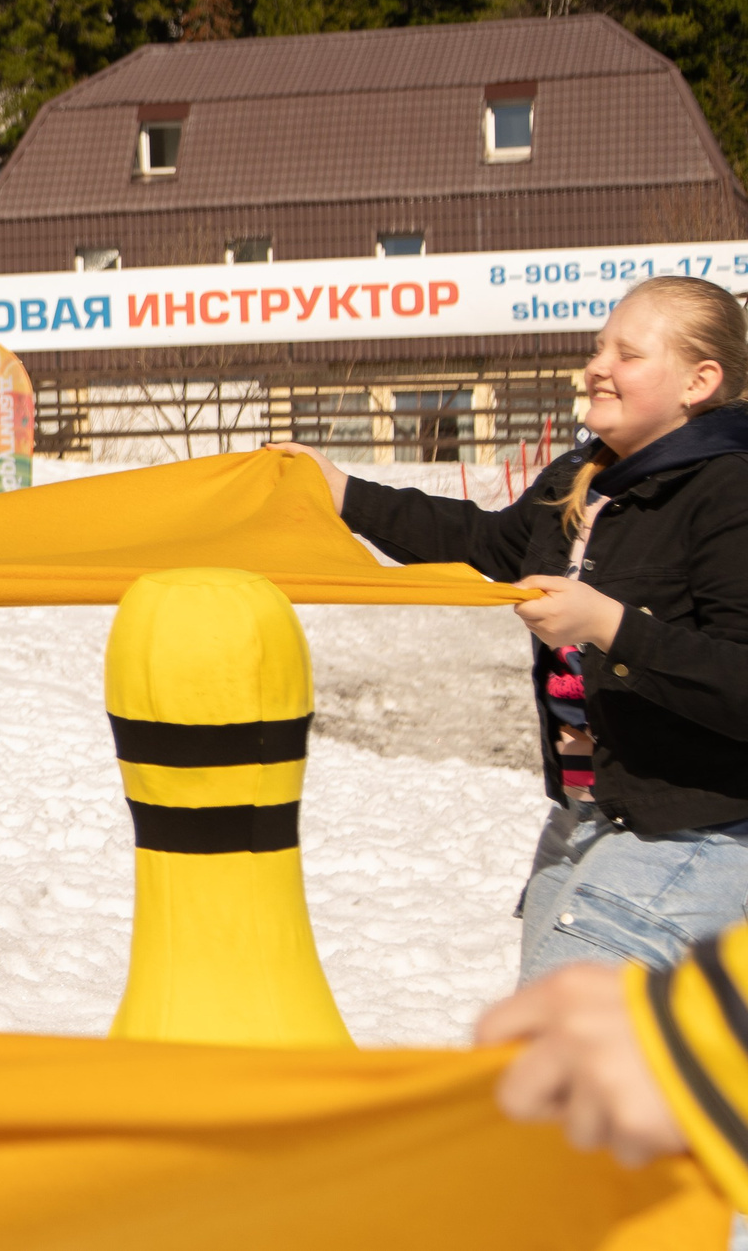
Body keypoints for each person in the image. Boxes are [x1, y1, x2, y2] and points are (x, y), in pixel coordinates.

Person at [272, 275, 748, 987]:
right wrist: (341, 492)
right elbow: (489, 546)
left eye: (628, 353)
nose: (598, 366)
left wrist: (609, 627)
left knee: (550, 1056)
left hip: (698, 829)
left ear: (698, 382)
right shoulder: (584, 476)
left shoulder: (727, 490)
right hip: (590, 814)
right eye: (597, 348)